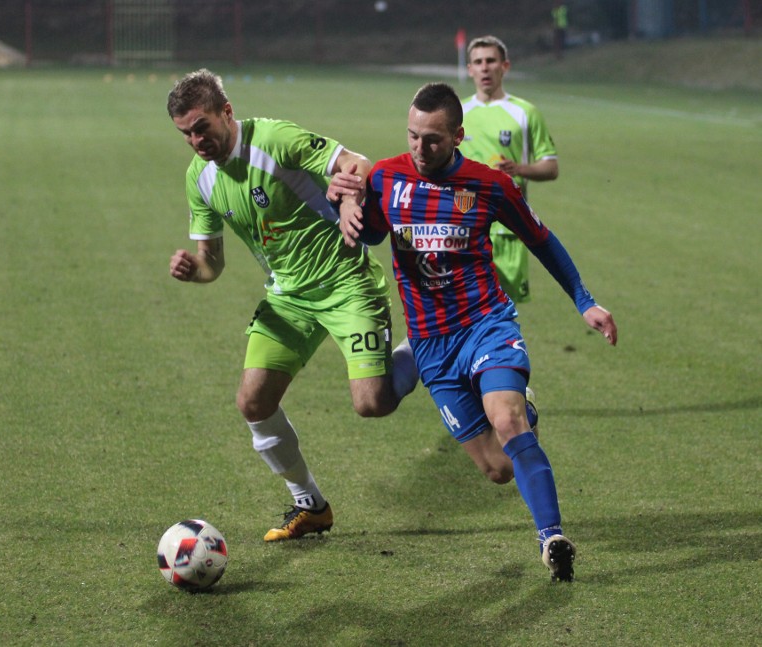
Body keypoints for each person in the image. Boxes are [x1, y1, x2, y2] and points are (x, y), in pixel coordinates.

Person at [333, 82, 617, 581]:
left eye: (434, 139)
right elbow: (375, 230)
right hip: (430, 344)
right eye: (413, 136)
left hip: (485, 324)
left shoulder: (489, 185)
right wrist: (349, 213)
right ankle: (524, 407)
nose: (421, 148)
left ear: (458, 136)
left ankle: (551, 537)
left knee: (505, 421)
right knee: (497, 469)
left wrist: (584, 301)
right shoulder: (385, 176)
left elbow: (542, 241)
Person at [165, 69, 418, 543]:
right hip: (287, 298)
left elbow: (359, 163)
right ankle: (310, 503)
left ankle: (428, 343)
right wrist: (192, 270)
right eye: (186, 134)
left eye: (202, 127)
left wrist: (346, 199)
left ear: (227, 112)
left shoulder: (275, 139)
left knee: (373, 403)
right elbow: (211, 263)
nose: (196, 140)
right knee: (253, 401)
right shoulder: (199, 179)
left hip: (345, 281)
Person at [460, 35, 558, 304]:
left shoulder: (525, 113)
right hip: (463, 227)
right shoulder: (458, 113)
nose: (484, 68)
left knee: (505, 314)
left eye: (491, 61)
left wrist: (519, 168)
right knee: (460, 310)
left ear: (505, 66)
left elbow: (551, 167)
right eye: (478, 62)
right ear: (469, 69)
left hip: (508, 228)